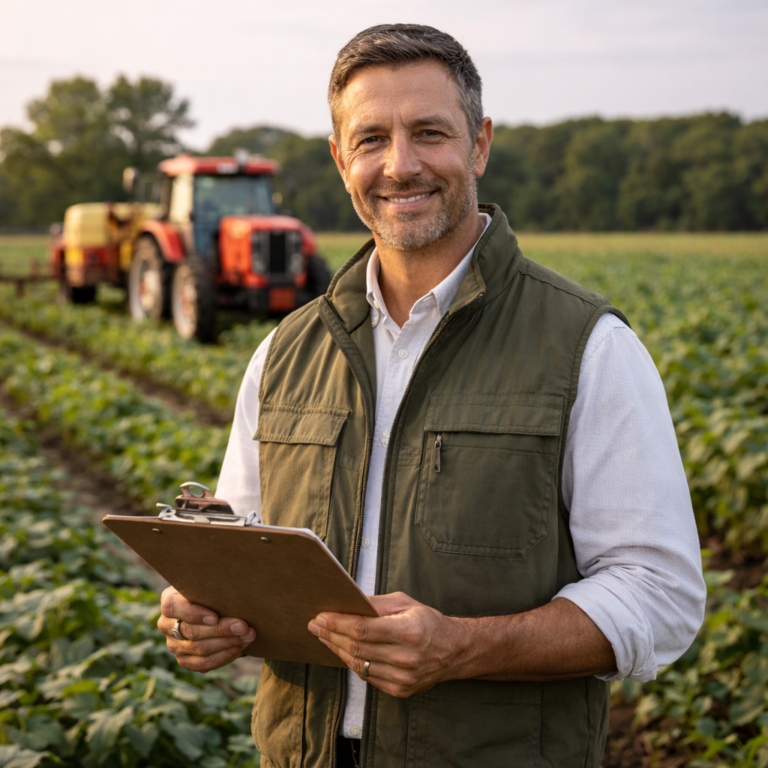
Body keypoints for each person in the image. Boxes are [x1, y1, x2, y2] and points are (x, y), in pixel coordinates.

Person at [157, 24, 706, 768]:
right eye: (371, 138)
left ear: (478, 144)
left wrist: (463, 649)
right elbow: (242, 549)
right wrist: (208, 614)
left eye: (429, 133)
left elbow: (660, 595)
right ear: (339, 158)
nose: (400, 165)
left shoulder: (588, 346)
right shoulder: (286, 349)